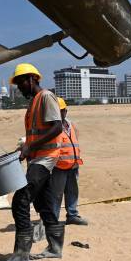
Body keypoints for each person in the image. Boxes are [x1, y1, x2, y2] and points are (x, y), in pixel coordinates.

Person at [0, 63, 64, 261]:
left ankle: (20, 255)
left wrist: (30, 147)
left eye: (21, 83)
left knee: (20, 200)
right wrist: (25, 150)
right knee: (43, 203)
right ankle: (55, 247)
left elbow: (57, 127)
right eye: (17, 84)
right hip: (36, 157)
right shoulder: (34, 101)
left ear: (32, 79)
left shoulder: (45, 97)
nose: (20, 87)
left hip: (46, 158)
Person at [50, 97, 87, 226]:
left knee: (72, 191)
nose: (60, 113)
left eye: (62, 110)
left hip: (73, 165)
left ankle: (72, 215)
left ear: (65, 111)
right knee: (56, 194)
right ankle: (53, 219)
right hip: (58, 166)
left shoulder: (70, 124)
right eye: (56, 111)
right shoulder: (51, 127)